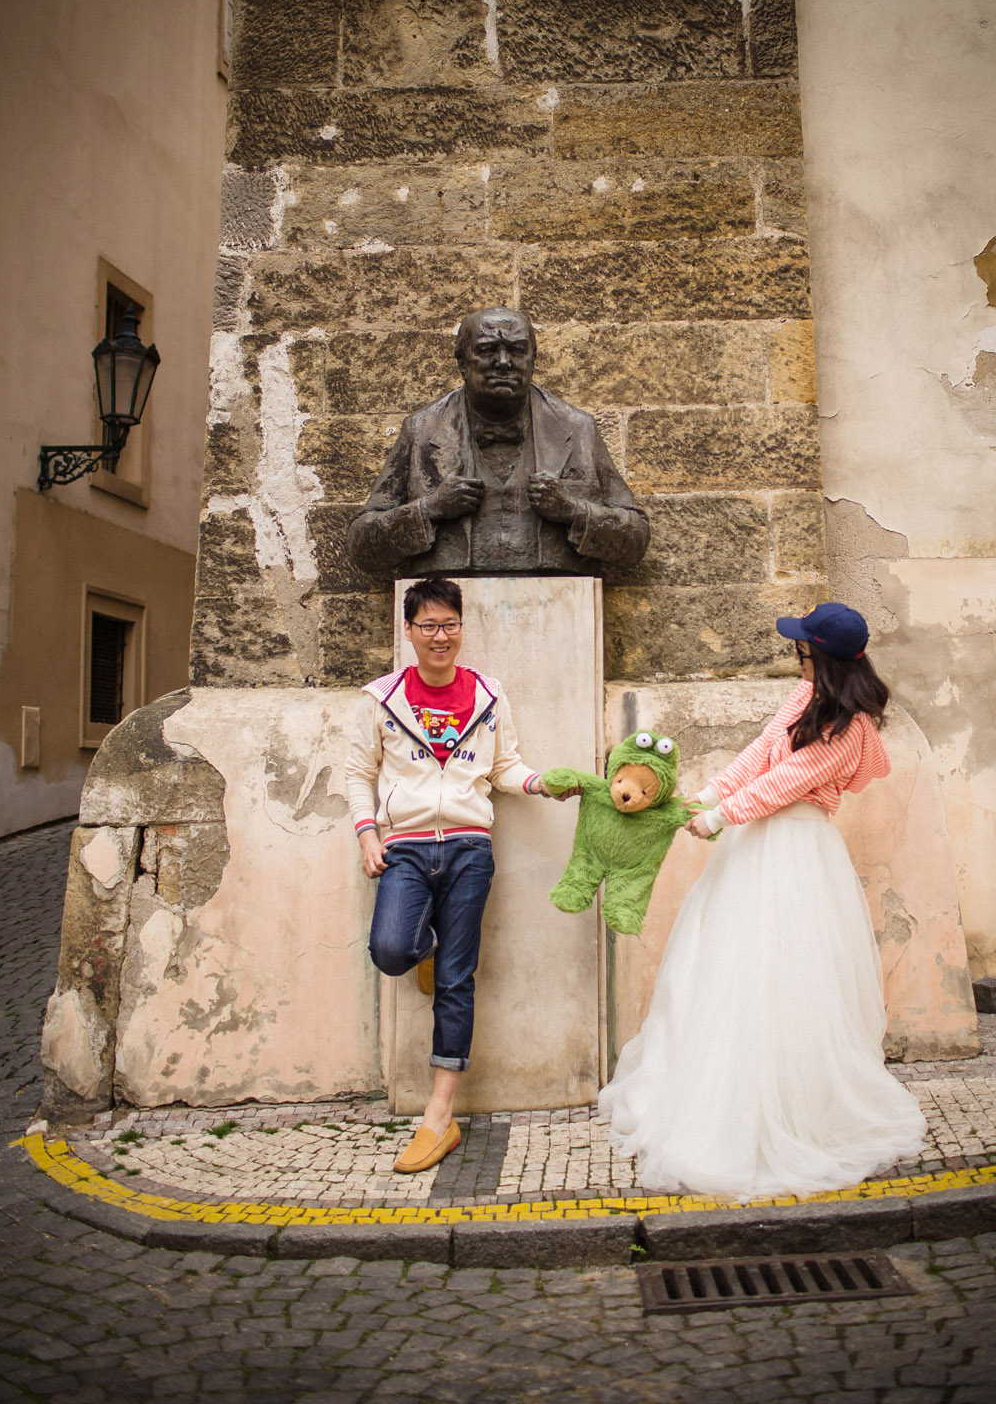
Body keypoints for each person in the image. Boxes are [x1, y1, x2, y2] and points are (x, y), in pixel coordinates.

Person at [597, 603, 927, 1200]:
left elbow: (791, 781)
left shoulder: (851, 726)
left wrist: (724, 816)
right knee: (728, 969)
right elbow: (760, 754)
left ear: (821, 657)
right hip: (755, 845)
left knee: (789, 977)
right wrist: (706, 794)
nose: (795, 655)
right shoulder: (802, 698)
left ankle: (790, 1114)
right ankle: (716, 1093)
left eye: (802, 649)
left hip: (798, 849)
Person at [344, 576, 571, 1174]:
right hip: (408, 849)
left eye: (450, 625)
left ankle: (439, 1118)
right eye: (429, 626)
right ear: (410, 630)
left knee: (456, 981)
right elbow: (356, 772)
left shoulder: (488, 695)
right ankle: (427, 945)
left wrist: (541, 783)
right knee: (392, 949)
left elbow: (505, 768)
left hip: (471, 848)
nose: (440, 636)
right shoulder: (382, 698)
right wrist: (368, 833)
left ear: (461, 628)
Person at [345, 307, 650, 576]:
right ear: (463, 363)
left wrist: (571, 510)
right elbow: (362, 545)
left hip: (558, 606)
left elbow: (635, 540)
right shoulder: (422, 430)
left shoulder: (577, 428)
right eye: (488, 349)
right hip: (446, 609)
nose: (504, 362)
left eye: (517, 350)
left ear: (532, 360)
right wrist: (429, 508)